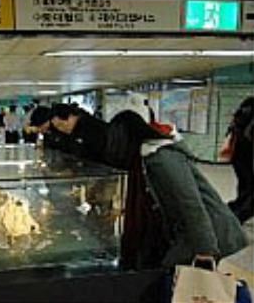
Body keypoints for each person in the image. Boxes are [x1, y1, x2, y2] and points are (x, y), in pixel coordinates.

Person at [30, 105, 247, 269]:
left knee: (181, 281)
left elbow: (190, 203)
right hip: (181, 230)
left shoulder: (161, 157)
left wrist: (205, 251)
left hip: (209, 232)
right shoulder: (141, 160)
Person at [221, 97, 253, 224]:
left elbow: (229, 133)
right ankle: (238, 216)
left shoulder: (240, 115)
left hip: (237, 156)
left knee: (245, 183)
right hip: (248, 156)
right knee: (250, 188)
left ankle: (235, 208)